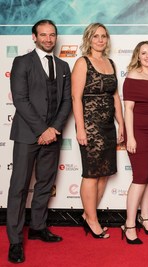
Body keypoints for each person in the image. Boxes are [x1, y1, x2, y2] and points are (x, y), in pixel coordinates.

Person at [6, 19, 71, 264]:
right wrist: (42, 129)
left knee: (45, 183)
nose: (48, 39)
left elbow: (66, 102)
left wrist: (53, 129)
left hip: (52, 135)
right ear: (34, 37)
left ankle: (38, 226)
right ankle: (15, 240)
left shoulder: (64, 65)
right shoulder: (22, 62)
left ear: (56, 37)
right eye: (43, 35)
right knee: (19, 187)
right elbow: (20, 100)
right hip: (27, 135)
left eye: (52, 34)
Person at [71, 23, 124, 239]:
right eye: (96, 36)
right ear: (89, 39)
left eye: (103, 36)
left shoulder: (110, 63)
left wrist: (122, 124)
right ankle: (92, 220)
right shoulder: (82, 63)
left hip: (108, 126)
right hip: (90, 126)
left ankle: (87, 214)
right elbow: (76, 98)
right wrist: (81, 129)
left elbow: (115, 97)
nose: (100, 40)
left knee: (104, 173)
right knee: (92, 174)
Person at [121, 41, 148, 245]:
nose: (147, 56)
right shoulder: (132, 76)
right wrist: (131, 137)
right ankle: (129, 225)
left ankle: (145, 219)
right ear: (138, 56)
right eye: (143, 53)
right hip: (139, 133)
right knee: (140, 177)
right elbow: (128, 109)